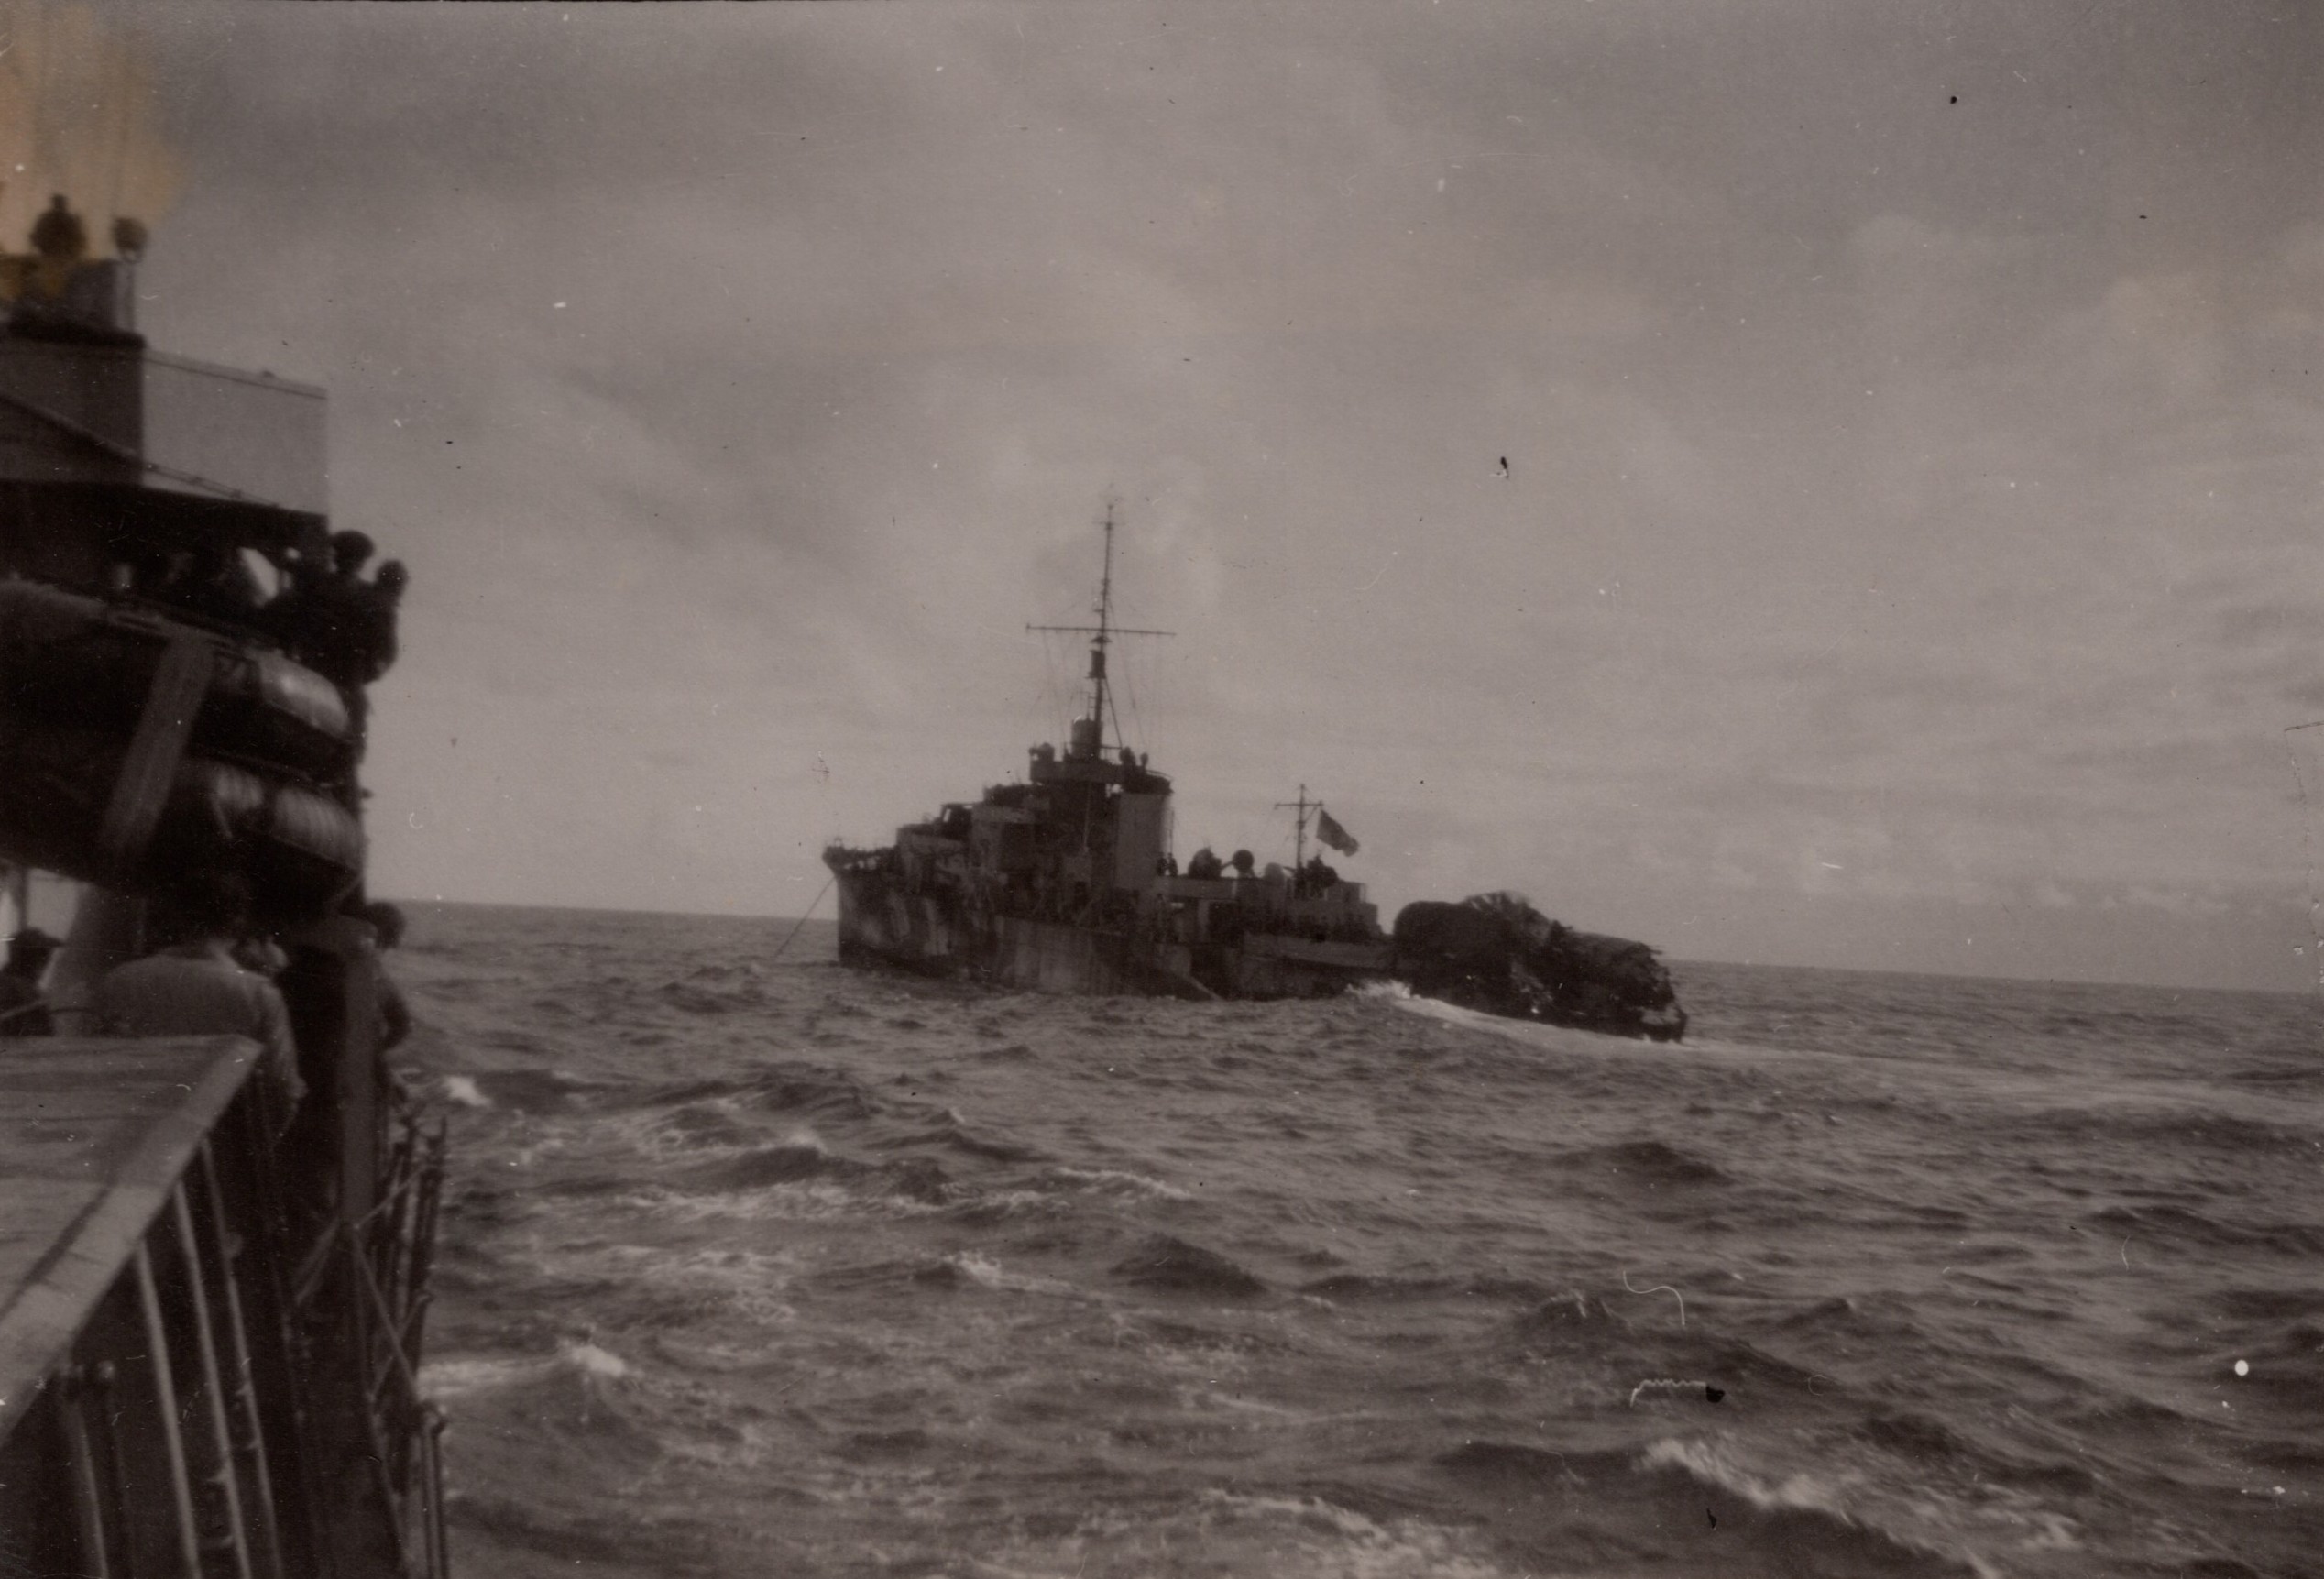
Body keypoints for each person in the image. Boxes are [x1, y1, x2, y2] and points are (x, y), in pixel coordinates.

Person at [96, 872, 302, 1128]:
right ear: (238, 922)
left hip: (131, 1136)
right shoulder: (258, 993)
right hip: (222, 1140)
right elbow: (282, 1089)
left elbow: (99, 1073)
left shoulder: (119, 980)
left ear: (176, 917)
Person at [0, 928, 60, 1037]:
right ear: (36, 961)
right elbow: (43, 1039)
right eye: (46, 957)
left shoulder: (5, 983)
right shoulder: (28, 994)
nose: (48, 962)